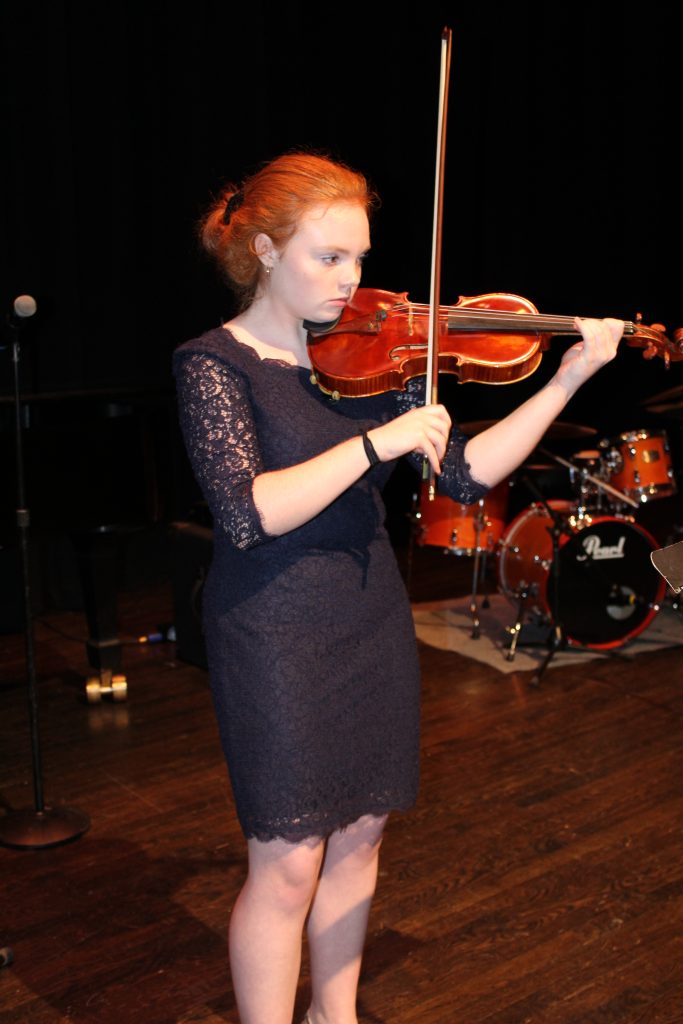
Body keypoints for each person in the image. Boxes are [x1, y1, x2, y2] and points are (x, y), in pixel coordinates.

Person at [173, 150, 622, 1024]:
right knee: (288, 857)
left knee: (362, 832)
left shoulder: (370, 360)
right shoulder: (213, 363)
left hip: (367, 609)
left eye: (360, 259)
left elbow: (462, 472)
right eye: (327, 257)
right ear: (264, 251)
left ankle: (331, 1014)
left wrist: (567, 376)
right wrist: (374, 445)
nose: (352, 282)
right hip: (273, 625)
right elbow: (247, 511)